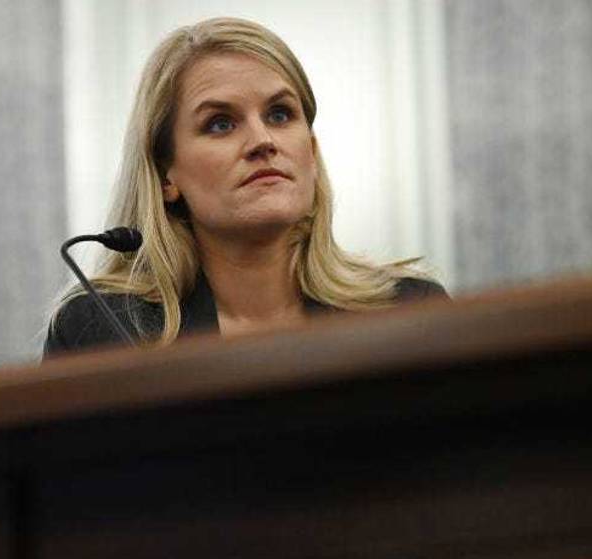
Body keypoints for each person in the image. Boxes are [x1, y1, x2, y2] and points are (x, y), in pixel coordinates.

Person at [45, 17, 446, 357]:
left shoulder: (409, 309)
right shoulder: (104, 331)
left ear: (311, 151)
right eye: (220, 123)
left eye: (279, 114)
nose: (262, 141)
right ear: (167, 177)